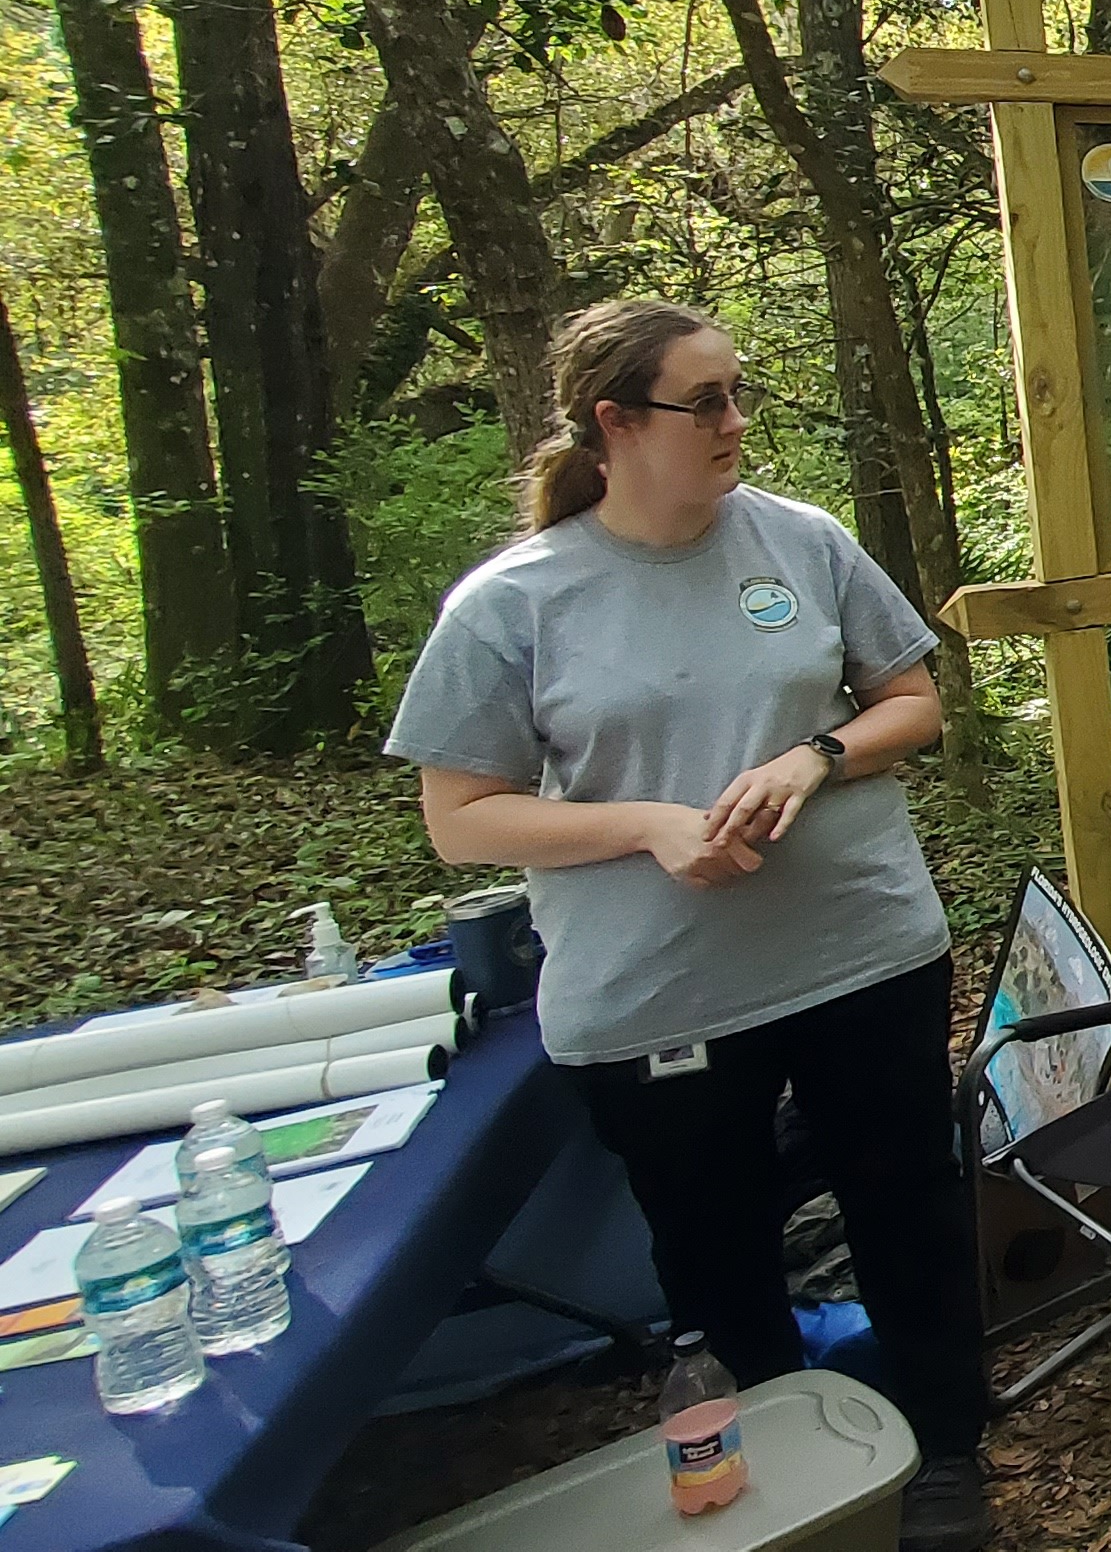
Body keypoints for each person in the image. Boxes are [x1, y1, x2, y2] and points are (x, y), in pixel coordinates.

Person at [384, 303, 996, 1550]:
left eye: (737, 395)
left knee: (908, 1207)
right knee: (717, 1255)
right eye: (704, 401)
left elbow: (912, 702)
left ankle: (943, 1454)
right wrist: (651, 827)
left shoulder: (801, 542)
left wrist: (817, 756)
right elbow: (463, 819)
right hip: (662, 993)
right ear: (616, 424)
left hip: (863, 949)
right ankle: (787, 1480)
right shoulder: (516, 603)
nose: (734, 425)